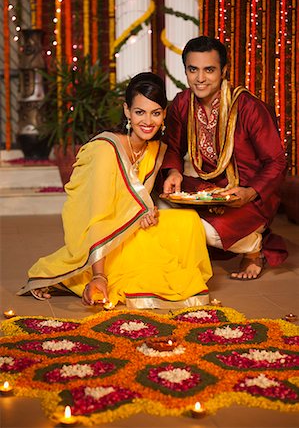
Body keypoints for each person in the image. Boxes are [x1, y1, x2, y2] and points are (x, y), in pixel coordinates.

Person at [18, 72, 212, 309]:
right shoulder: (105, 150)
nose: (148, 121)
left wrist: (148, 209)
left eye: (155, 113)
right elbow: (97, 215)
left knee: (188, 221)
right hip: (106, 236)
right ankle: (84, 274)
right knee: (155, 266)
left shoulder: (155, 149)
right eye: (140, 112)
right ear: (127, 111)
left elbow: (139, 197)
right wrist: (100, 276)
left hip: (131, 226)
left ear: (164, 115)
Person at [161, 36, 287, 280]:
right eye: (193, 69)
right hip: (208, 191)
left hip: (248, 198)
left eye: (209, 70)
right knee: (155, 200)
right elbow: (172, 148)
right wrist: (174, 172)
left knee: (204, 231)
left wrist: (250, 192)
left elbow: (277, 162)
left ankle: (254, 248)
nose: (200, 78)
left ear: (224, 70)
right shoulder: (183, 103)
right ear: (185, 70)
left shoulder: (248, 107)